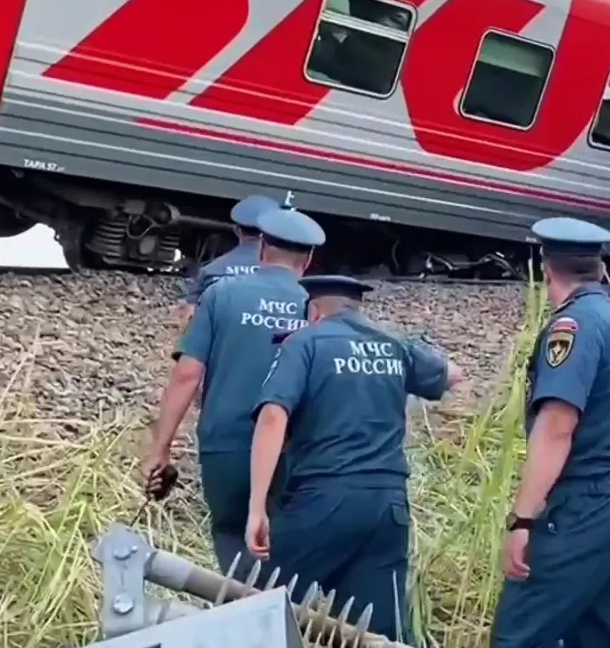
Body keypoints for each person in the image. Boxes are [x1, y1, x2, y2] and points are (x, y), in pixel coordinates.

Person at [245, 274, 462, 641]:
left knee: (264, 609)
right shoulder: (392, 345)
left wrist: (256, 507)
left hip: (323, 499)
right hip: (387, 508)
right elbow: (453, 375)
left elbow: (272, 415)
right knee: (379, 633)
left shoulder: (305, 344)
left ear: (313, 312)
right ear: (356, 307)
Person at [491, 217, 610, 648]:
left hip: (586, 507)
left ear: (547, 272)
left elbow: (556, 429)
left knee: (519, 636)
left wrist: (522, 519)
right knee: (594, 637)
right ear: (600, 270)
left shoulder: (574, 326)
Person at [143, 203, 325, 577]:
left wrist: (160, 448)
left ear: (261, 250)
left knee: (231, 537)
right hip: (295, 449)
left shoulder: (221, 295)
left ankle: (246, 617)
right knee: (288, 546)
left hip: (225, 444)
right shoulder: (316, 306)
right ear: (308, 259)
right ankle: (288, 619)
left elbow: (187, 375)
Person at [174, 193, 280, 330]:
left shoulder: (210, 270)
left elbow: (189, 320)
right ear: (271, 232)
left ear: (237, 230)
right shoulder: (282, 275)